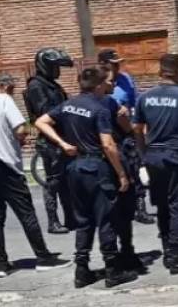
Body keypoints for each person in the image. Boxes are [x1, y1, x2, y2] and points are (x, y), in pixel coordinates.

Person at [34, 68, 137, 289]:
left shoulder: (69, 104)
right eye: (107, 83)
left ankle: (82, 270)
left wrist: (62, 144)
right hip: (96, 168)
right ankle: (112, 271)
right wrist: (121, 174)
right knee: (106, 219)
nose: (109, 86)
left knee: (83, 221)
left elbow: (41, 122)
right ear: (99, 85)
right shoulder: (99, 108)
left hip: (74, 168)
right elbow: (108, 145)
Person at [0, 73, 71, 278]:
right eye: (12, 89)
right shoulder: (4, 100)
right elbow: (21, 128)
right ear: (5, 86)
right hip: (5, 165)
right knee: (26, 212)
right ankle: (44, 258)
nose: (13, 93)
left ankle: (1, 264)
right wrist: (20, 139)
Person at [134, 53, 178, 274]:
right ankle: (176, 257)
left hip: (154, 157)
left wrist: (143, 152)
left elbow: (137, 129)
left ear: (160, 71)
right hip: (175, 156)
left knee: (163, 206)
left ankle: (168, 250)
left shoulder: (145, 98)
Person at [99, 66, 148, 275]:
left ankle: (112, 259)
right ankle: (123, 258)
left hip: (97, 165)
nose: (114, 84)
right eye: (110, 80)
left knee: (107, 215)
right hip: (115, 160)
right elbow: (124, 132)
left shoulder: (77, 104)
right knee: (121, 212)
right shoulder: (108, 104)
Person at [97, 48, 155, 225]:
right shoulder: (98, 82)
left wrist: (139, 127)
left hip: (126, 131)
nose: (116, 67)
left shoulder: (125, 79)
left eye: (117, 64)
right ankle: (118, 209)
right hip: (108, 132)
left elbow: (135, 103)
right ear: (103, 64)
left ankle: (140, 208)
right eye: (112, 64)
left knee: (134, 169)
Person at [23, 47, 74, 234]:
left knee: (66, 181)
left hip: (61, 136)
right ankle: (53, 221)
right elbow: (45, 112)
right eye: (55, 67)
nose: (57, 71)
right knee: (53, 182)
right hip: (49, 140)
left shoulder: (52, 84)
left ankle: (70, 218)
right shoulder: (37, 86)